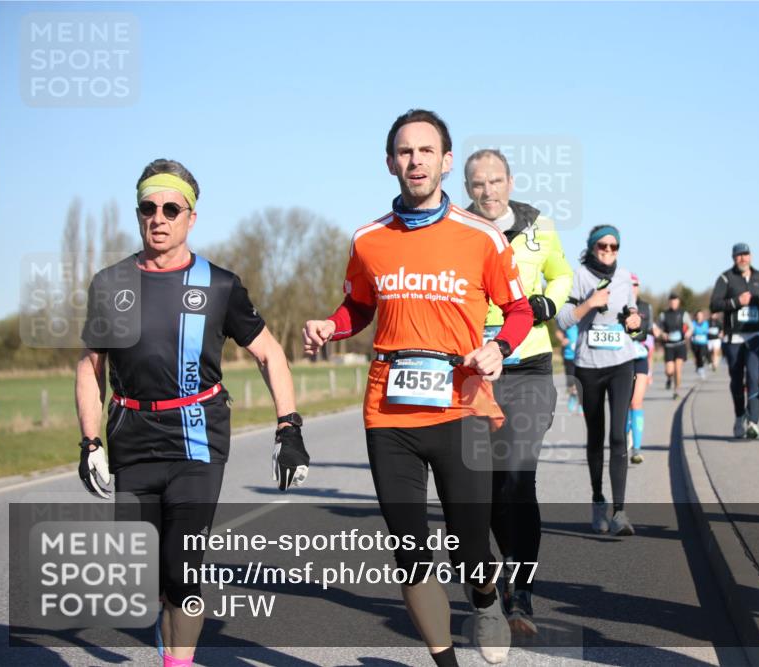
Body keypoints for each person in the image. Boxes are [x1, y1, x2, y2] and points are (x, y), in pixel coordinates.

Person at [302, 110, 532, 665]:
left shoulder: (481, 237)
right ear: (390, 163)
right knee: (409, 549)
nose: (416, 161)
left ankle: (484, 598)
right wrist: (331, 326)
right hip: (389, 411)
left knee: (470, 543)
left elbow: (518, 309)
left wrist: (497, 349)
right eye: (405, 152)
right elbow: (358, 304)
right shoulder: (368, 239)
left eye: (426, 151)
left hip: (462, 405)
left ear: (446, 162)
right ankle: (445, 660)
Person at [75, 159, 309, 667]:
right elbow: (91, 367)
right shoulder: (109, 283)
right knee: (148, 573)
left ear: (191, 217)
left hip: (197, 437)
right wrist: (90, 442)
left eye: (170, 208)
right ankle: (169, 631)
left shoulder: (219, 285)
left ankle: (178, 661)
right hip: (131, 437)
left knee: (184, 567)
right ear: (138, 213)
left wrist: (288, 426)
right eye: (148, 207)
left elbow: (270, 353)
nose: (158, 218)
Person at [464, 148, 573, 635]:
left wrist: (548, 300)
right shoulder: (459, 231)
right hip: (474, 373)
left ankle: (521, 593)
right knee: (482, 489)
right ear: (468, 188)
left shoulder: (539, 227)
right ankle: (503, 565)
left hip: (528, 367)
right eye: (477, 184)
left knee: (517, 477)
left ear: (510, 181)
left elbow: (562, 272)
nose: (487, 191)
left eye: (495, 181)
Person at [556, 225, 642, 536]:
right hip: (588, 366)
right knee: (596, 436)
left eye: (613, 246)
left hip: (621, 362)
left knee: (619, 436)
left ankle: (620, 511)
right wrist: (590, 303)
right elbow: (563, 319)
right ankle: (598, 501)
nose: (608, 251)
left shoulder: (624, 277)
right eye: (602, 246)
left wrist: (634, 321)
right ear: (592, 248)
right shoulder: (578, 276)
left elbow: (631, 320)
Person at [710, 242, 759, 439]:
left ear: (751, 256)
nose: (742, 258)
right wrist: (737, 302)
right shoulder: (726, 278)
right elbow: (714, 304)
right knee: (737, 380)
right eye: (738, 256)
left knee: (753, 376)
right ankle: (739, 416)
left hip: (754, 336)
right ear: (733, 258)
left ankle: (753, 421)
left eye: (745, 255)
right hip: (733, 337)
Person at [627, 273, 654, 463]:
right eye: (628, 284)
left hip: (641, 358)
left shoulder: (646, 307)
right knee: (623, 404)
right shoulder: (618, 305)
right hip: (621, 359)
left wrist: (651, 368)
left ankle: (636, 449)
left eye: (635, 284)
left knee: (636, 402)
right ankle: (622, 440)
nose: (632, 287)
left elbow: (650, 339)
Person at [656, 292, 691, 399]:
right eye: (671, 301)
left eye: (675, 301)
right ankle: (669, 378)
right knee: (669, 370)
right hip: (669, 346)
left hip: (680, 344)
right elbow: (657, 328)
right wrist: (662, 334)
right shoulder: (663, 315)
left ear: (678, 302)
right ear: (669, 302)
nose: (673, 303)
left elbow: (690, 326)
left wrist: (688, 332)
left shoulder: (683, 313)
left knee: (678, 369)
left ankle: (676, 391)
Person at [556, 324, 582, 414]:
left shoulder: (586, 317)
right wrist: (563, 339)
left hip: (582, 356)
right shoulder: (567, 318)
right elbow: (558, 332)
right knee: (571, 380)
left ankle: (581, 404)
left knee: (582, 380)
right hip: (569, 355)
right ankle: (572, 396)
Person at [690, 310, 711, 379]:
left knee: (701, 355)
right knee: (697, 356)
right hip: (694, 343)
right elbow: (691, 331)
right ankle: (698, 367)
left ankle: (701, 369)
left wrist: (698, 331)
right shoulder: (693, 323)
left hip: (703, 343)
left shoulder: (705, 323)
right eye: (698, 315)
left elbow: (706, 331)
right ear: (696, 316)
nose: (699, 316)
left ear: (702, 316)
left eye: (700, 315)